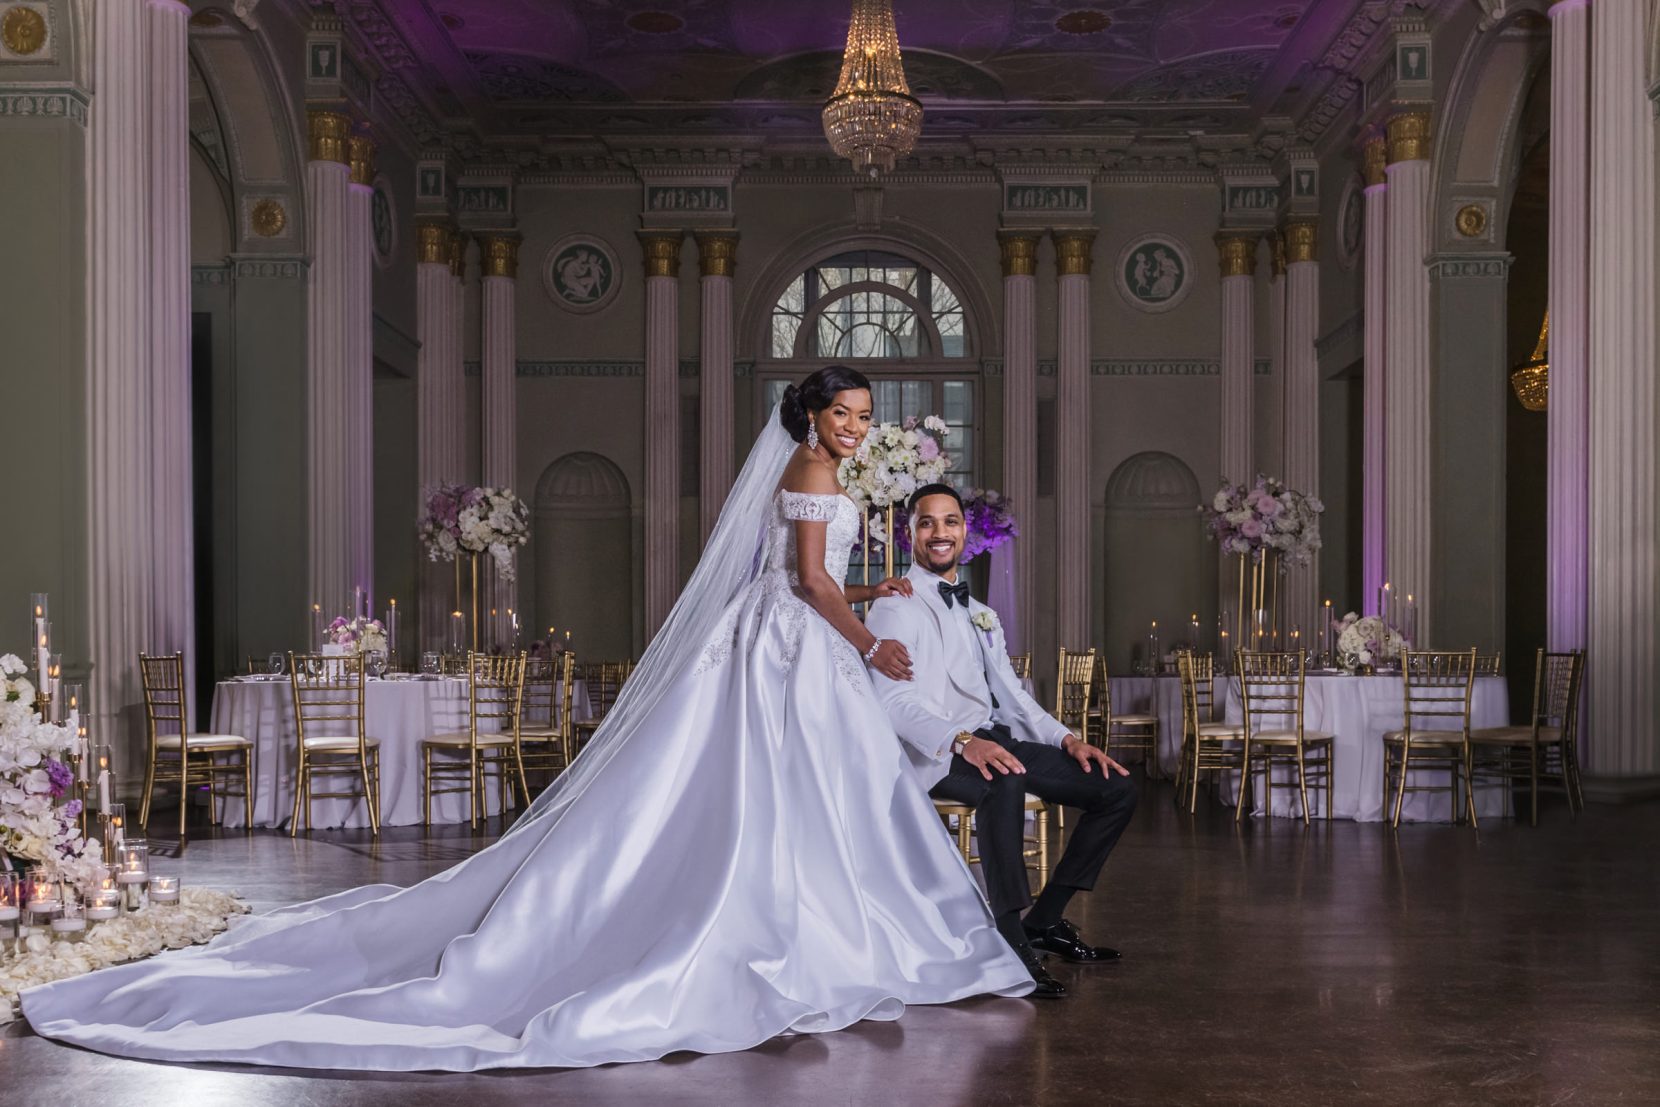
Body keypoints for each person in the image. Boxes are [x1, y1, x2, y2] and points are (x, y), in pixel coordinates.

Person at [21, 367, 1033, 1071]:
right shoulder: (812, 475)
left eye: (862, 417)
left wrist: (855, 626)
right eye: (844, 415)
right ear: (811, 418)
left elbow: (816, 576)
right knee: (787, 786)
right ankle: (812, 930)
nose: (854, 429)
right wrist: (868, 641)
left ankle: (810, 920)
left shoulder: (815, 472)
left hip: (781, 643)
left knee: (781, 789)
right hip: (791, 643)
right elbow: (814, 581)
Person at [866, 485, 1139, 999]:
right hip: (936, 751)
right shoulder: (895, 606)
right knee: (1004, 779)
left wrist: (1068, 739)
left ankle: (1046, 919)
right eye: (927, 523)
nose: (940, 532)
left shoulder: (980, 611)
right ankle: (1010, 936)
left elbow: (1013, 696)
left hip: (994, 738)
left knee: (1116, 788)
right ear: (911, 534)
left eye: (950, 521)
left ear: (965, 532)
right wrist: (960, 740)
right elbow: (893, 703)